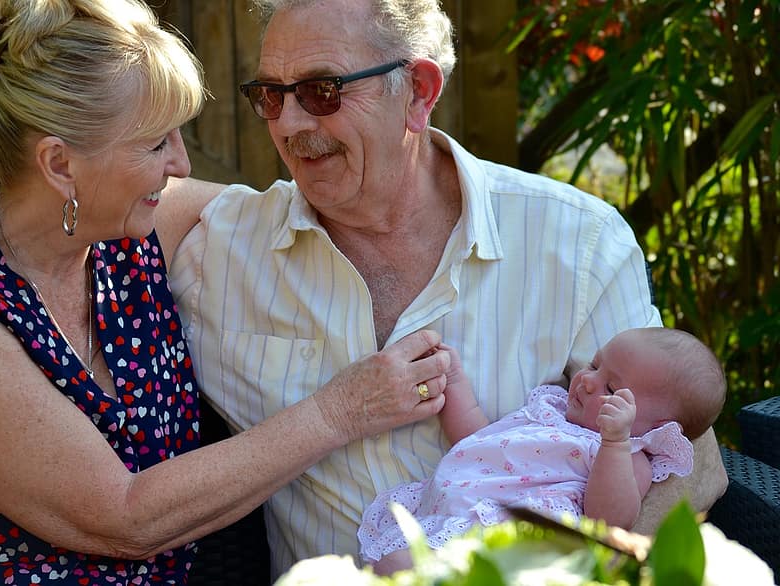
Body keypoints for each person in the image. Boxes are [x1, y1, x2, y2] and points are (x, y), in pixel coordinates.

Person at [161, 0, 728, 577]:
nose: (288, 124)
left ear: (418, 92)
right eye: (271, 95)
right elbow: (95, 189)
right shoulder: (223, 249)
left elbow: (680, 450)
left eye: (321, 91)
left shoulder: (579, 245)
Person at [0, 0, 453, 582]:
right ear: (60, 164)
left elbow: (326, 211)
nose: (182, 163)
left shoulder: (134, 228)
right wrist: (342, 410)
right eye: (155, 143)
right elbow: (122, 517)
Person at [358, 327, 727, 575]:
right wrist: (453, 380)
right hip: (452, 508)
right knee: (390, 564)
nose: (586, 380)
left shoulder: (625, 454)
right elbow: (478, 437)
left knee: (398, 567)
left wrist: (615, 441)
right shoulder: (550, 408)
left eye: (611, 389)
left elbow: (611, 518)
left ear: (655, 429)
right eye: (595, 365)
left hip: (504, 534)